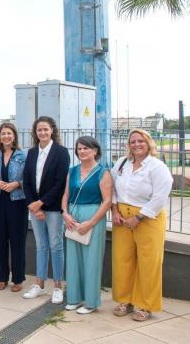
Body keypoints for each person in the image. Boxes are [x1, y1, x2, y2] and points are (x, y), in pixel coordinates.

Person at [110, 129, 173, 321]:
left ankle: (145, 305)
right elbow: (111, 186)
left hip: (148, 218)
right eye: (133, 142)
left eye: (141, 141)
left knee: (149, 262)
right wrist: (114, 210)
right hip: (122, 217)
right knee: (122, 260)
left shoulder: (157, 167)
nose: (136, 145)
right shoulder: (122, 163)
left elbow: (160, 196)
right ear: (128, 145)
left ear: (148, 143)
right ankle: (125, 300)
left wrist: (138, 218)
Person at [61, 136, 112, 314]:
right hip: (72, 219)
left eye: (86, 148)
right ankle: (74, 298)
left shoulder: (103, 172)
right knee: (73, 260)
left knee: (92, 261)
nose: (82, 151)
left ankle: (91, 302)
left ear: (95, 151)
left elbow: (107, 201)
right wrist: (65, 214)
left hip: (93, 218)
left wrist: (90, 223)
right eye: (79, 148)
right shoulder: (72, 171)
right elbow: (66, 195)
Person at [22, 116, 70, 304]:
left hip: (53, 208)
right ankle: (39, 284)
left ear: (52, 130)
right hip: (35, 209)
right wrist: (33, 205)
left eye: (46, 129)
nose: (42, 132)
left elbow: (60, 183)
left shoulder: (61, 152)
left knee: (56, 246)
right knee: (41, 246)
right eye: (39, 130)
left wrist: (41, 203)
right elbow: (26, 180)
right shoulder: (32, 153)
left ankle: (58, 286)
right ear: (35, 132)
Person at [0, 122, 28, 292]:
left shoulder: (22, 155)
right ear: (0, 136)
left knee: (17, 240)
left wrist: (17, 184)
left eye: (9, 133)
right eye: (3, 133)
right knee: (0, 240)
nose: (6, 136)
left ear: (14, 136)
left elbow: (29, 178)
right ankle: (1, 277)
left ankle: (18, 279)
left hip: (17, 202)